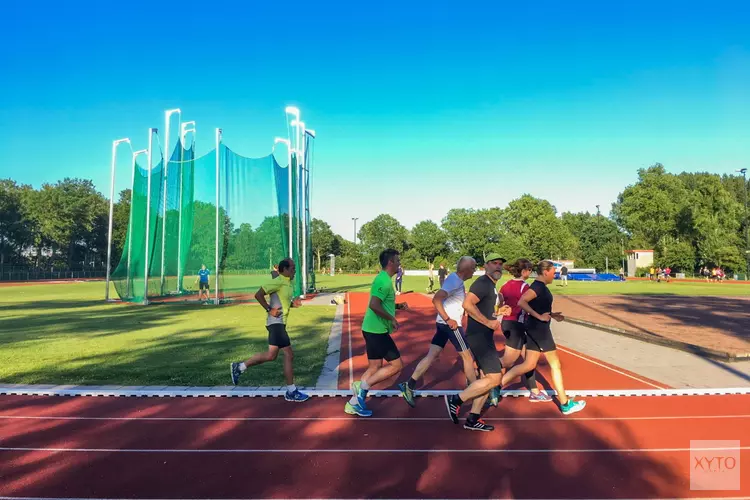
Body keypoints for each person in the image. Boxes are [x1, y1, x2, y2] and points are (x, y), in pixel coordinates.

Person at [501, 260, 586, 415]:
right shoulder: (538, 287)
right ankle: (565, 403)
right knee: (555, 365)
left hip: (535, 328)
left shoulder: (540, 287)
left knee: (528, 365)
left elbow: (537, 306)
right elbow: (522, 302)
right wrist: (539, 316)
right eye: (553, 272)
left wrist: (552, 315)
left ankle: (494, 386)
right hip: (539, 330)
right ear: (545, 272)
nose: (555, 275)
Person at [398, 256, 478, 407]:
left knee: (432, 355)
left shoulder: (456, 280)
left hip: (443, 323)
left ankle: (409, 385)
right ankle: (476, 392)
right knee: (467, 357)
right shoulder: (454, 281)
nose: (474, 271)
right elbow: (436, 299)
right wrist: (449, 319)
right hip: (450, 325)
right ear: (466, 269)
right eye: (473, 268)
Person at [443, 253, 510, 431]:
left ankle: (473, 419)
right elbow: (467, 305)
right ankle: (456, 400)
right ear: (485, 266)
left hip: (483, 335)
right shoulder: (482, 283)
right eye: (494, 263)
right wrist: (488, 322)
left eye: (500, 264)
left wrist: (498, 312)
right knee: (495, 378)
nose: (498, 266)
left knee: (486, 378)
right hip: (479, 336)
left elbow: (484, 309)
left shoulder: (491, 286)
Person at [230, 258, 310, 403]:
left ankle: (240, 367)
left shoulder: (288, 283)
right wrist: (269, 309)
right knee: (288, 354)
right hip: (276, 323)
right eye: (292, 268)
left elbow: (282, 301)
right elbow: (258, 294)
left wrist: (293, 304)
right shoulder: (278, 281)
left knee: (271, 355)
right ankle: (291, 391)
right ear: (284, 270)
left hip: (280, 323)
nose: (294, 270)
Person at [346, 249, 410, 417]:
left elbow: (382, 303)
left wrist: (397, 306)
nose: (399, 264)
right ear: (390, 262)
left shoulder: (383, 279)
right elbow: (374, 305)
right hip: (377, 331)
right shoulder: (384, 281)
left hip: (371, 328)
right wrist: (392, 319)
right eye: (397, 261)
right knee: (397, 366)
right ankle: (362, 387)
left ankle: (354, 403)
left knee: (375, 366)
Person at [497, 258, 551, 403]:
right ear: (523, 271)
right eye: (529, 270)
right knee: (508, 361)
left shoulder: (505, 285)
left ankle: (534, 391)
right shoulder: (525, 287)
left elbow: (500, 302)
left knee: (529, 360)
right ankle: (488, 379)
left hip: (508, 323)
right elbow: (528, 303)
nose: (531, 272)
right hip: (517, 324)